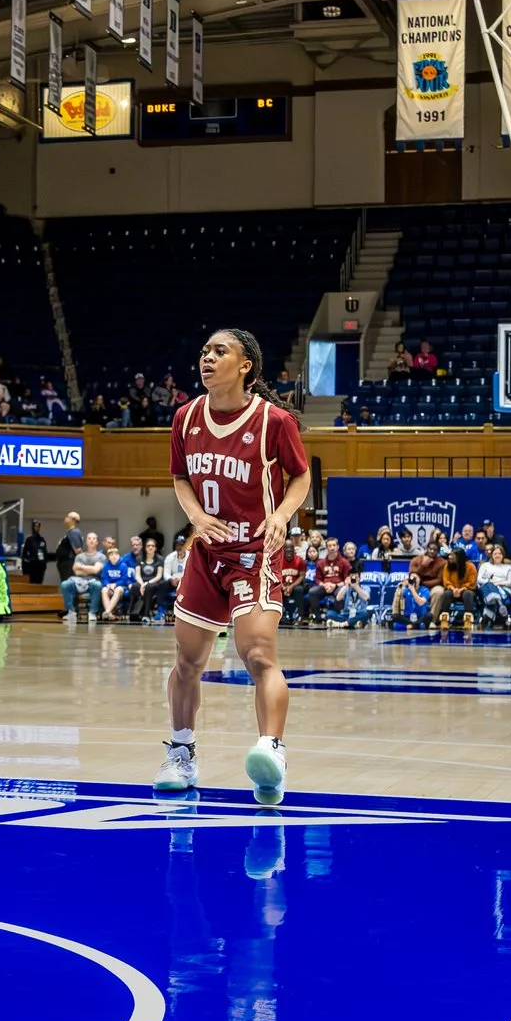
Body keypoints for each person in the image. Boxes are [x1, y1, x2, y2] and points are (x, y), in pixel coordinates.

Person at [154, 327, 311, 801]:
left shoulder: (274, 421)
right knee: (187, 662)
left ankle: (272, 750)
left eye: (219, 351)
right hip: (207, 554)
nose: (207, 357)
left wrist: (283, 515)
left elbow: (301, 475)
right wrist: (197, 518)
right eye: (204, 350)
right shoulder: (185, 418)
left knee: (258, 654)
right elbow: (181, 477)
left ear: (245, 366)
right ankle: (182, 753)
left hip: (255, 552)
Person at [60, 535, 103, 624]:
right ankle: (71, 611)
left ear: (97, 542)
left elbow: (96, 570)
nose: (91, 540)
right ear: (86, 542)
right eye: (89, 538)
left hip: (93, 581)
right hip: (78, 581)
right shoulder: (79, 557)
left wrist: (81, 567)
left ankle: (92, 612)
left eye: (94, 538)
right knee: (65, 584)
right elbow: (76, 572)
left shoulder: (101, 556)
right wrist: (90, 569)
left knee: (98, 585)